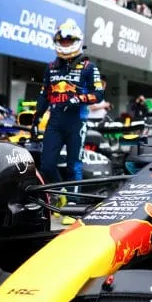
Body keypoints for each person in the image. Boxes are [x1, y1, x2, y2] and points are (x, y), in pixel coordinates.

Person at [31, 21, 104, 194]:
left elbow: (99, 94)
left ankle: (72, 203)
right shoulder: (50, 68)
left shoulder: (89, 68)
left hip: (76, 122)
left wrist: (77, 99)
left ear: (77, 41)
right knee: (47, 165)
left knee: (74, 166)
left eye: (68, 41)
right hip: (54, 123)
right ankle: (62, 193)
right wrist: (36, 119)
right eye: (62, 41)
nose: (65, 45)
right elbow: (44, 95)